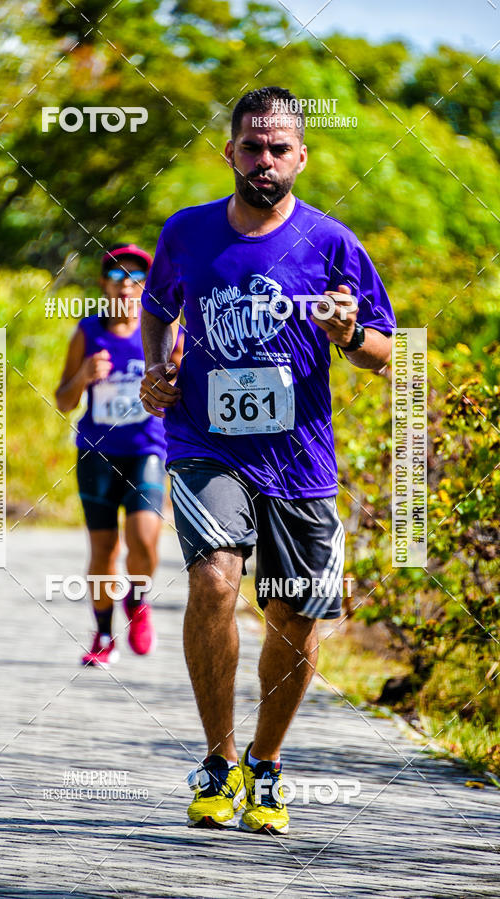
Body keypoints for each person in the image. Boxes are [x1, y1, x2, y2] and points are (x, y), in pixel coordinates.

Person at [139, 86, 396, 833]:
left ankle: (266, 764)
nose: (264, 159)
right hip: (204, 443)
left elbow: (387, 353)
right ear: (230, 152)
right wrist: (159, 371)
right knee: (215, 577)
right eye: (251, 146)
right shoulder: (187, 233)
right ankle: (218, 761)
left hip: (299, 458)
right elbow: (159, 307)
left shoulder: (333, 242)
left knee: (291, 617)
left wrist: (350, 334)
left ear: (302, 157)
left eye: (279, 147)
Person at [56, 243, 182, 667]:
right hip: (97, 453)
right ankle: (104, 635)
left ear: (147, 287)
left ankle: (139, 599)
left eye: (136, 279)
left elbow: (182, 389)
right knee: (103, 551)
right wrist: (84, 375)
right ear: (104, 286)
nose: (126, 287)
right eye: (116, 279)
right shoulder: (88, 333)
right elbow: (62, 400)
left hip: (146, 449)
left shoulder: (166, 332)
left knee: (144, 540)